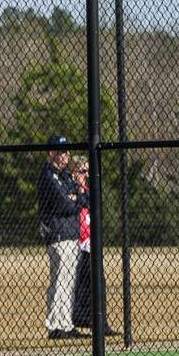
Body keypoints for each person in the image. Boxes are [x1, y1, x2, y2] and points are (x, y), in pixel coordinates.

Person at [36, 135, 88, 340]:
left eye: (67, 152)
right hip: (58, 234)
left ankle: (66, 323)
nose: (66, 156)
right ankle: (55, 325)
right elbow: (64, 204)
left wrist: (75, 197)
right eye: (61, 152)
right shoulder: (48, 176)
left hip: (71, 233)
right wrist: (74, 199)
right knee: (59, 280)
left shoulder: (65, 175)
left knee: (69, 281)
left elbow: (82, 197)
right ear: (52, 153)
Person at [69, 155, 120, 336]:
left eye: (87, 171)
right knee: (81, 284)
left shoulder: (86, 189)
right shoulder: (72, 188)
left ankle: (99, 322)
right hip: (78, 243)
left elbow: (89, 203)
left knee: (97, 282)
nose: (86, 174)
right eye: (82, 171)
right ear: (74, 172)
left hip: (89, 243)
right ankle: (85, 319)